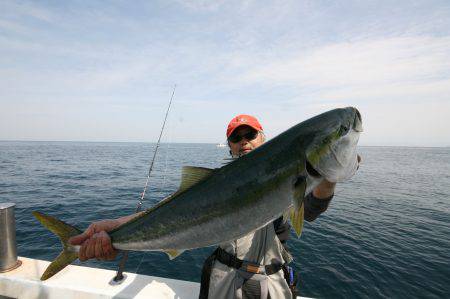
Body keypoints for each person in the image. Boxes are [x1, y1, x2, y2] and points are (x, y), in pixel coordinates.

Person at [69, 114, 358, 299]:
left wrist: (329, 177)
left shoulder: (285, 178)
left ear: (263, 138)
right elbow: (171, 213)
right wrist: (117, 228)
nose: (244, 142)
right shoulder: (213, 184)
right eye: (237, 138)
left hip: (271, 283)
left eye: (250, 135)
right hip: (223, 282)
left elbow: (310, 210)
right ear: (230, 145)